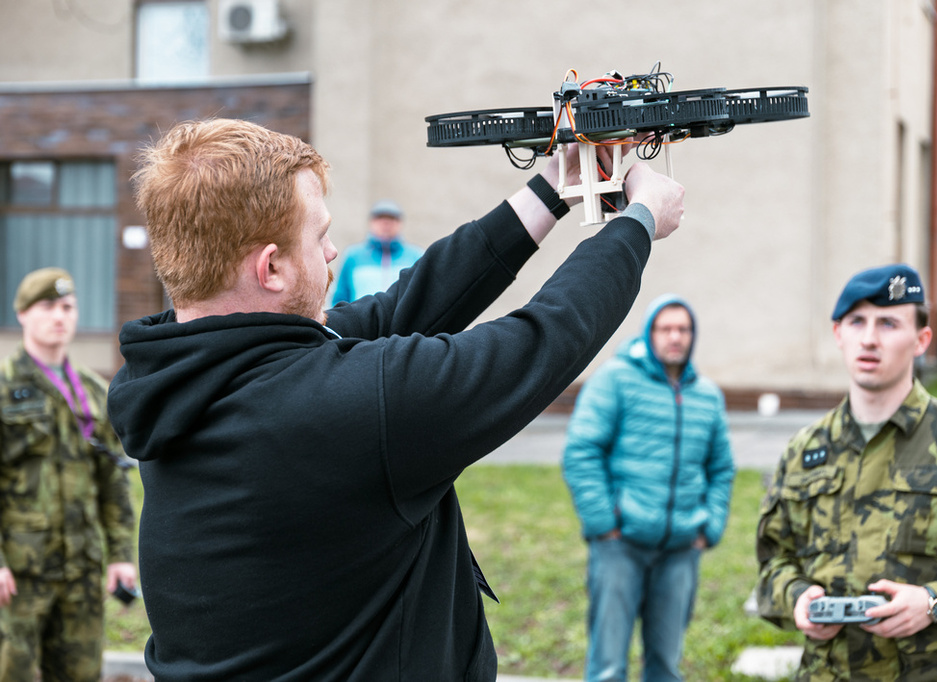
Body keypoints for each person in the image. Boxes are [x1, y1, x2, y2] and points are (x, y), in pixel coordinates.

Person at [106, 117, 686, 681]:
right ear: (273, 266)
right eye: (320, 235)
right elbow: (541, 341)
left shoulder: (175, 380)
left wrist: (557, 184)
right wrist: (637, 222)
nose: (333, 252)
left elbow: (404, 306)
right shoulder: (338, 408)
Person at [756, 263, 937, 680]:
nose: (869, 338)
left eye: (888, 323)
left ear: (921, 340)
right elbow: (774, 561)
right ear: (837, 334)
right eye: (857, 321)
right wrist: (797, 599)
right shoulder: (806, 450)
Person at [563, 294, 735, 682]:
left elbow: (722, 468)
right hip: (620, 545)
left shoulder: (706, 395)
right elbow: (581, 451)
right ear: (649, 332)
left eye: (683, 329)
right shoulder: (615, 379)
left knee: (665, 666)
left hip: (681, 550)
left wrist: (709, 528)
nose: (675, 336)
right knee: (608, 666)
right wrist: (605, 522)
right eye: (666, 328)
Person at [0, 267, 137, 682]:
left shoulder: (94, 392)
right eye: (47, 306)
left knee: (81, 674)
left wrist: (120, 555)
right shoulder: (4, 389)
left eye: (67, 307)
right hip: (20, 574)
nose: (59, 316)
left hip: (80, 570)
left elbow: (113, 483)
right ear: (23, 313)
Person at [330, 199, 424, 304]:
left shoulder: (415, 256)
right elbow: (340, 297)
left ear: (400, 223)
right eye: (380, 218)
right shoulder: (353, 256)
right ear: (371, 222)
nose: (386, 224)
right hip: (362, 319)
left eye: (392, 218)